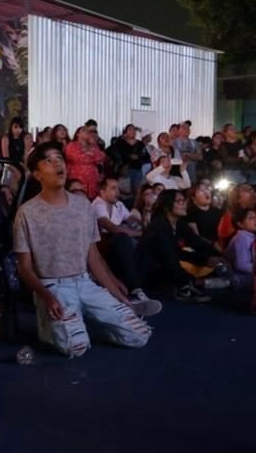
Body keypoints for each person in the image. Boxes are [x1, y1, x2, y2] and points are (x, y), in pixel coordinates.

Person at [12, 143, 151, 357]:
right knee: (76, 348)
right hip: (53, 286)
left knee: (140, 335)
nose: (57, 163)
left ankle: (86, 319)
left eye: (59, 158)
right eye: (48, 160)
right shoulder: (27, 213)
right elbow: (24, 267)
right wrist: (46, 296)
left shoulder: (82, 206)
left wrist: (119, 296)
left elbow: (93, 257)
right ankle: (50, 327)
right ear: (37, 174)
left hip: (84, 282)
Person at [137, 189, 227, 303]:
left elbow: (197, 243)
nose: (184, 204)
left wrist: (217, 257)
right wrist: (188, 279)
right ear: (166, 206)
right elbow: (168, 256)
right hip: (150, 270)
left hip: (167, 266)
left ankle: (187, 283)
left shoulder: (179, 224)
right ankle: (184, 286)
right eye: (179, 201)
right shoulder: (159, 225)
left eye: (184, 200)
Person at [91, 178, 162, 317]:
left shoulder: (118, 205)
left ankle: (137, 288)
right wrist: (137, 233)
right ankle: (135, 290)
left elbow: (133, 221)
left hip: (122, 247)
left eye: (117, 188)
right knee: (122, 239)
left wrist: (142, 229)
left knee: (148, 242)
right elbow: (112, 228)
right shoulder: (98, 204)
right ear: (102, 191)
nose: (117, 192)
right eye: (113, 188)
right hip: (105, 249)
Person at [63, 126, 105, 199]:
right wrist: (90, 155)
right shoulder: (72, 145)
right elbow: (77, 158)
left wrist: (88, 153)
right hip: (77, 178)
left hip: (93, 180)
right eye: (84, 130)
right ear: (77, 134)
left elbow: (100, 157)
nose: (87, 132)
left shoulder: (93, 146)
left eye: (88, 131)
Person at [224, 207, 256, 290]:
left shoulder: (249, 237)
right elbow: (241, 265)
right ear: (240, 224)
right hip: (238, 277)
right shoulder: (241, 238)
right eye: (251, 218)